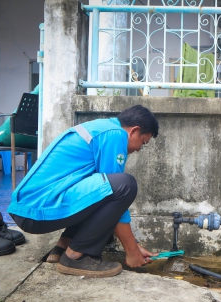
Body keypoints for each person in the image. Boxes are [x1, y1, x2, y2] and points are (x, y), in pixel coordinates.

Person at [8, 105, 159, 278]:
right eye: (143, 143)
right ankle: (76, 256)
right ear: (134, 131)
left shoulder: (102, 128)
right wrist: (132, 251)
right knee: (126, 184)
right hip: (36, 211)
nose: (139, 149)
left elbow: (101, 196)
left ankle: (63, 246)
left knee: (103, 190)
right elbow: (117, 194)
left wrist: (135, 244)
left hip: (28, 210)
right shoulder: (116, 135)